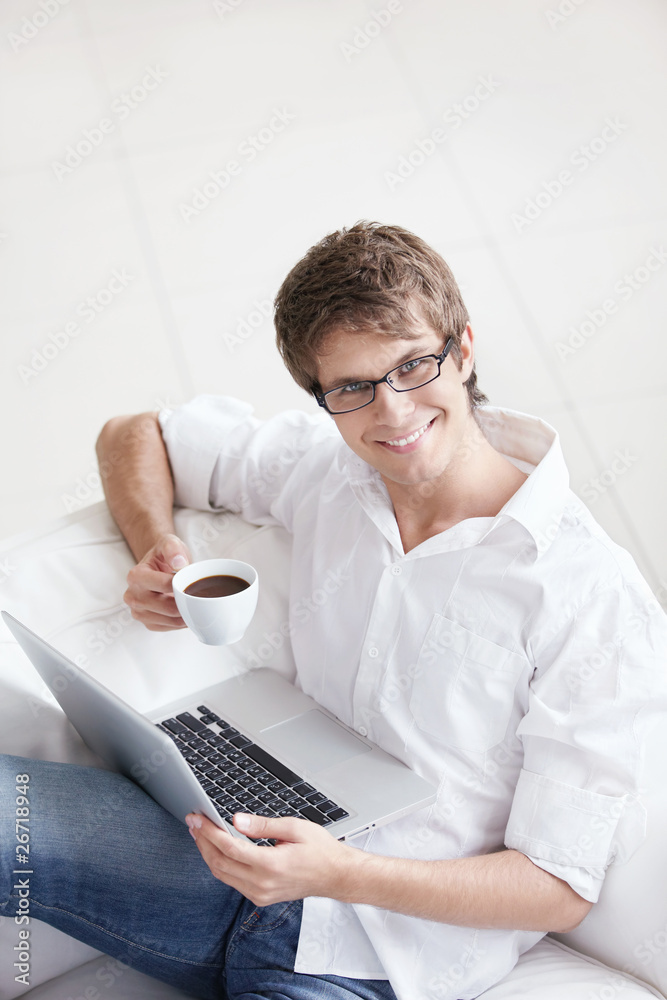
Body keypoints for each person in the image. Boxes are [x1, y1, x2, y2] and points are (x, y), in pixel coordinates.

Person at [1, 222, 665, 1000]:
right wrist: (159, 547)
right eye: (351, 388)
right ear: (322, 397)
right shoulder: (325, 469)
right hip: (214, 852)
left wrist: (340, 873)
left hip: (378, 956)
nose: (390, 413)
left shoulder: (586, 591)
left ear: (464, 349)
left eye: (413, 366)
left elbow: (558, 886)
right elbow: (133, 433)